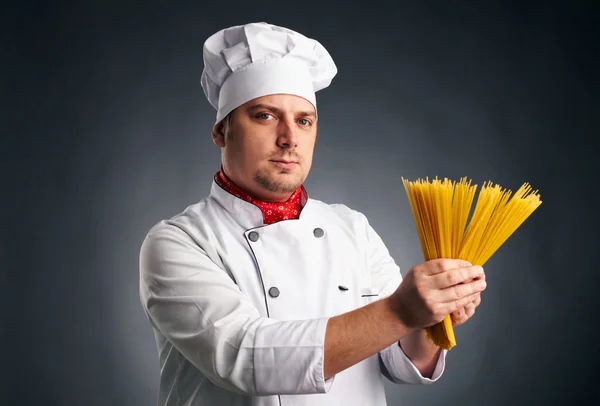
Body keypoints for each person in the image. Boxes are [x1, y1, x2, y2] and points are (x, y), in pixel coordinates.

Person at [138, 22, 486, 406]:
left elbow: (401, 360)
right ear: (222, 132)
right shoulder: (177, 241)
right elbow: (245, 358)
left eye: (303, 120)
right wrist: (402, 311)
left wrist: (430, 319)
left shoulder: (352, 228)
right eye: (265, 116)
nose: (289, 138)